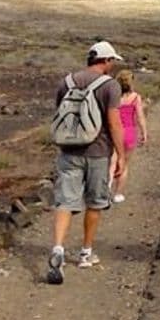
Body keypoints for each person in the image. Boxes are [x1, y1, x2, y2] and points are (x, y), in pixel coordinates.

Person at [47, 40, 125, 285]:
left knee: (65, 201)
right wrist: (121, 154)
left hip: (68, 151)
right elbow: (114, 123)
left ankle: (58, 248)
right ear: (106, 61)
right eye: (112, 61)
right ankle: (85, 252)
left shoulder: (67, 82)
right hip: (98, 152)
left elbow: (60, 113)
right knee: (95, 203)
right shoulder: (110, 86)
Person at [109, 69, 148, 203]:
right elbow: (140, 116)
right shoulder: (136, 97)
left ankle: (107, 186)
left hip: (114, 131)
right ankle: (118, 194)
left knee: (112, 161)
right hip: (129, 132)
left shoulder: (113, 97)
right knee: (124, 163)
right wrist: (144, 132)